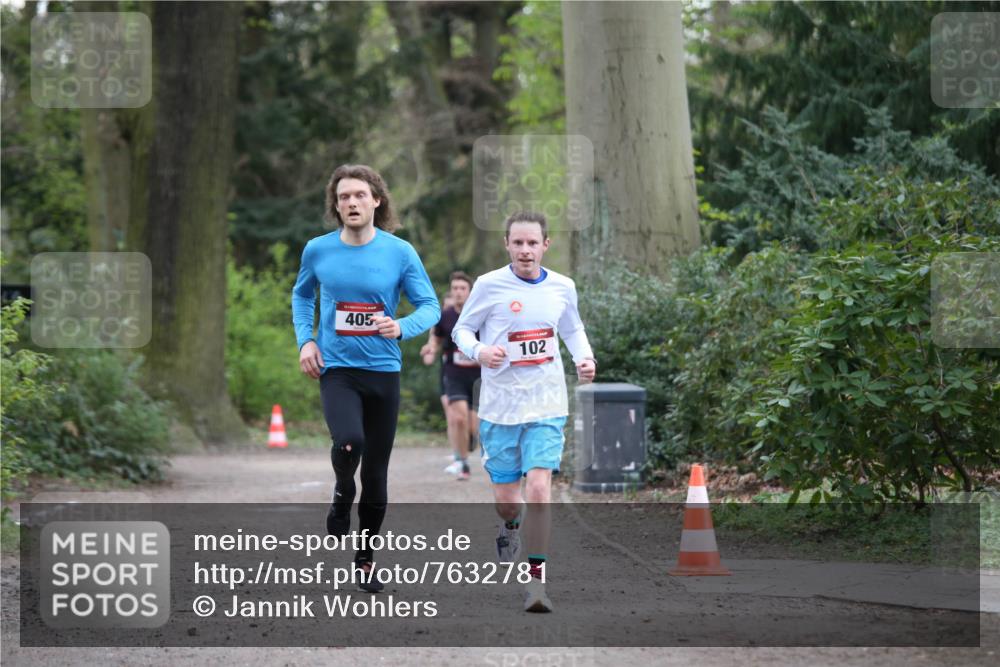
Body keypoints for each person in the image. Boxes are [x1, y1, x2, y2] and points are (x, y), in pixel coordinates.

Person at [292, 164, 439, 593]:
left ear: (377, 200)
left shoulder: (400, 252)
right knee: (348, 441)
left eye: (359, 195)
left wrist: (402, 327)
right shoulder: (317, 250)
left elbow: (429, 305)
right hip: (337, 370)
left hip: (383, 372)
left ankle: (366, 558)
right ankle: (341, 492)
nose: (352, 203)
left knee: (376, 475)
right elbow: (301, 296)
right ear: (335, 206)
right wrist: (306, 341)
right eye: (343, 197)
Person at [452, 211, 596, 613]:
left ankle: (536, 585)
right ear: (507, 244)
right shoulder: (488, 285)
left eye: (533, 243)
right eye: (518, 243)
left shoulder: (563, 287)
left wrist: (584, 359)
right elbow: (461, 331)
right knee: (508, 501)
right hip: (500, 409)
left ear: (545, 245)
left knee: (538, 489)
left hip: (547, 404)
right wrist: (481, 350)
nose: (525, 250)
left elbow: (572, 329)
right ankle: (510, 525)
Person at [420, 272, 481, 481]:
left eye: (462, 288)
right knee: (458, 417)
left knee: (474, 426)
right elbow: (436, 339)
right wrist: (431, 349)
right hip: (454, 374)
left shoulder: (480, 314)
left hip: (478, 377)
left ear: (470, 292)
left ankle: (469, 443)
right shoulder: (445, 316)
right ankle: (463, 463)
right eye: (454, 288)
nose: (458, 292)